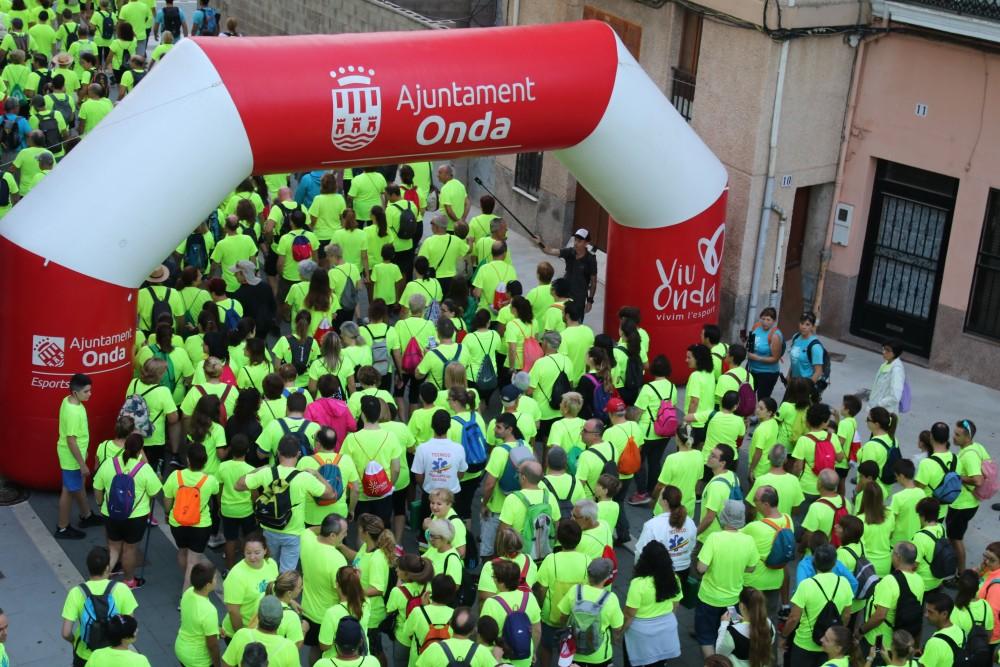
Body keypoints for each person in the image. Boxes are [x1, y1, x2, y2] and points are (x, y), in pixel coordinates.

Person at [238, 434, 335, 572]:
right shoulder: (304, 477)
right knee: (287, 573)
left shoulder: (266, 473)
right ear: (298, 454)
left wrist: (258, 469)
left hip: (269, 528)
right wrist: (317, 474)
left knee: (269, 567)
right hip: (293, 533)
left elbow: (238, 485)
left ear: (278, 452)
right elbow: (330, 493)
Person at [92, 433, 160, 589]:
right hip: (136, 517)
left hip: (111, 513)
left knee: (113, 548)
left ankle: (101, 580)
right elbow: (155, 493)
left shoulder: (109, 463)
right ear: (140, 450)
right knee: (130, 549)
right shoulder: (144, 469)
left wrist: (100, 505)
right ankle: (129, 581)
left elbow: (97, 487)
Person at [696, 500, 759, 657]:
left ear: (724, 516)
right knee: (730, 632)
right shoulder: (749, 540)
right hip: (733, 602)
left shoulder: (714, 538)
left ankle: (712, 663)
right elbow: (751, 568)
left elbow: (701, 568)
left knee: (706, 636)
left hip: (708, 599)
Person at [60, 547, 139, 666]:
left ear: (89, 567)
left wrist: (75, 641)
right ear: (107, 568)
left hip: (84, 655)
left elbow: (66, 633)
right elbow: (129, 627)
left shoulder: (76, 592)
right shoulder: (121, 589)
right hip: (113, 657)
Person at [782, 544, 852, 666]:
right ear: (834, 563)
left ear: (814, 563)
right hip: (829, 647)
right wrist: (834, 633)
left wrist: (784, 636)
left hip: (804, 644)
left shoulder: (806, 585)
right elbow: (846, 615)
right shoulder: (844, 583)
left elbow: (793, 618)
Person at [55, 373, 101, 539]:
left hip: (73, 455)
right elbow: (71, 440)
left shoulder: (67, 400)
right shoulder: (74, 412)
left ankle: (86, 515)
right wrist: (82, 463)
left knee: (77, 485)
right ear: (75, 392)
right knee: (68, 491)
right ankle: (62, 527)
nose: (90, 394)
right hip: (72, 459)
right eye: (86, 391)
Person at [858, 542, 925, 653]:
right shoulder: (919, 580)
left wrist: (861, 630)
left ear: (898, 557)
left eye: (892, 552)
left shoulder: (889, 581)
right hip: (899, 641)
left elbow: (880, 616)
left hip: (879, 641)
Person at [623, 540, 683, 665]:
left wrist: (620, 632)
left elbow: (629, 614)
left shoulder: (638, 583)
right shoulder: (674, 578)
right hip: (666, 628)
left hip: (641, 632)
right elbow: (675, 605)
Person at [534, 228, 599, 320]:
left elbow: (593, 282)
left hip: (579, 299)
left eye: (579, 241)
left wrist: (590, 301)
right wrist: (540, 242)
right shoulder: (569, 252)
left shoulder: (590, 260)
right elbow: (550, 251)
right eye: (575, 240)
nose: (575, 243)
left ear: (586, 243)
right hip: (565, 295)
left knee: (576, 322)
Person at [951, 418, 987, 574]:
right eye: (954, 433)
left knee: (956, 539)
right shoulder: (977, 447)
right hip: (970, 503)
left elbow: (978, 480)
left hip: (962, 505)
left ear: (968, 437)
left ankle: (961, 573)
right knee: (954, 536)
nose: (953, 437)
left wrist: (957, 477)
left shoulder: (970, 455)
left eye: (957, 435)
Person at [222, 596, 299, 667]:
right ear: (280, 620)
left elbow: (226, 664)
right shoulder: (289, 647)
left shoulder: (241, 635)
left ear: (258, 616)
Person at [175, 562, 221, 667]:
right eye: (214, 578)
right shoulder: (209, 611)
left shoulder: (188, 592)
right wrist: (217, 665)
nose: (216, 580)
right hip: (197, 660)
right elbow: (212, 645)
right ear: (207, 585)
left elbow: (195, 620)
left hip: (181, 648)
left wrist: (216, 629)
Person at [714, 587, 774, 667]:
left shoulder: (732, 633)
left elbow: (719, 653)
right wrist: (742, 621)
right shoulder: (769, 624)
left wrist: (723, 624)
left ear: (742, 606)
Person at [799, 469, 845, 550]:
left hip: (817, 551)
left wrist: (801, 548)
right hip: (836, 548)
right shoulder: (844, 501)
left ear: (819, 484)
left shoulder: (816, 507)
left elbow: (809, 534)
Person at [417, 214, 464, 294]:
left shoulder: (429, 242)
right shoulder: (456, 240)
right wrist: (470, 241)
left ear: (437, 227)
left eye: (432, 223)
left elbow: (420, 261)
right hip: (452, 278)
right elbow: (468, 250)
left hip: (434, 278)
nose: (431, 226)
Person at [84, 614, 150, 666]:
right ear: (126, 637)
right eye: (134, 630)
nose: (137, 631)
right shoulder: (140, 661)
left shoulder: (96, 655)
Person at [920, 592, 967, 667]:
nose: (926, 615)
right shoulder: (959, 630)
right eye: (926, 610)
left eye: (930, 612)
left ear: (944, 614)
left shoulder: (934, 643)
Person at [746, 307, 785, 399]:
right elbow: (750, 344)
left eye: (768, 320)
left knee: (762, 400)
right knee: (747, 397)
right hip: (752, 370)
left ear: (774, 321)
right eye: (763, 319)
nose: (765, 322)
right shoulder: (756, 327)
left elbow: (775, 358)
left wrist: (757, 358)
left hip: (767, 373)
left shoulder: (775, 335)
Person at [685, 344, 717, 446]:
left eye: (689, 357)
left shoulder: (695, 376)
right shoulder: (710, 373)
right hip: (707, 421)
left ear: (698, 359)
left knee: (687, 451)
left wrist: (687, 423)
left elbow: (694, 402)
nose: (686, 360)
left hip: (695, 423)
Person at [869, 339, 906, 412]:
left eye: (888, 350)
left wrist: (879, 404)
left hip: (884, 411)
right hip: (875, 408)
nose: (884, 352)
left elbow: (895, 396)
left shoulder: (897, 370)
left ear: (895, 353)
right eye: (884, 349)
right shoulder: (885, 364)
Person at [976, 542, 1000, 645]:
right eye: (985, 556)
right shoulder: (990, 569)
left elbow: (992, 614)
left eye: (992, 560)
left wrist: (986, 638)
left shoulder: (997, 587)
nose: (986, 561)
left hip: (988, 635)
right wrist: (980, 571)